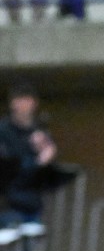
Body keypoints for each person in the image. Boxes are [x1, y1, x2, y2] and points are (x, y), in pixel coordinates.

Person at [0, 83, 59, 229]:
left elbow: (47, 169)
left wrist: (46, 153)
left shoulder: (38, 129)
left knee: (33, 240)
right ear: (13, 103)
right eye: (20, 101)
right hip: (8, 201)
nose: (24, 106)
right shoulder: (4, 130)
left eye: (28, 101)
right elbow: (9, 165)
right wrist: (38, 161)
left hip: (33, 200)